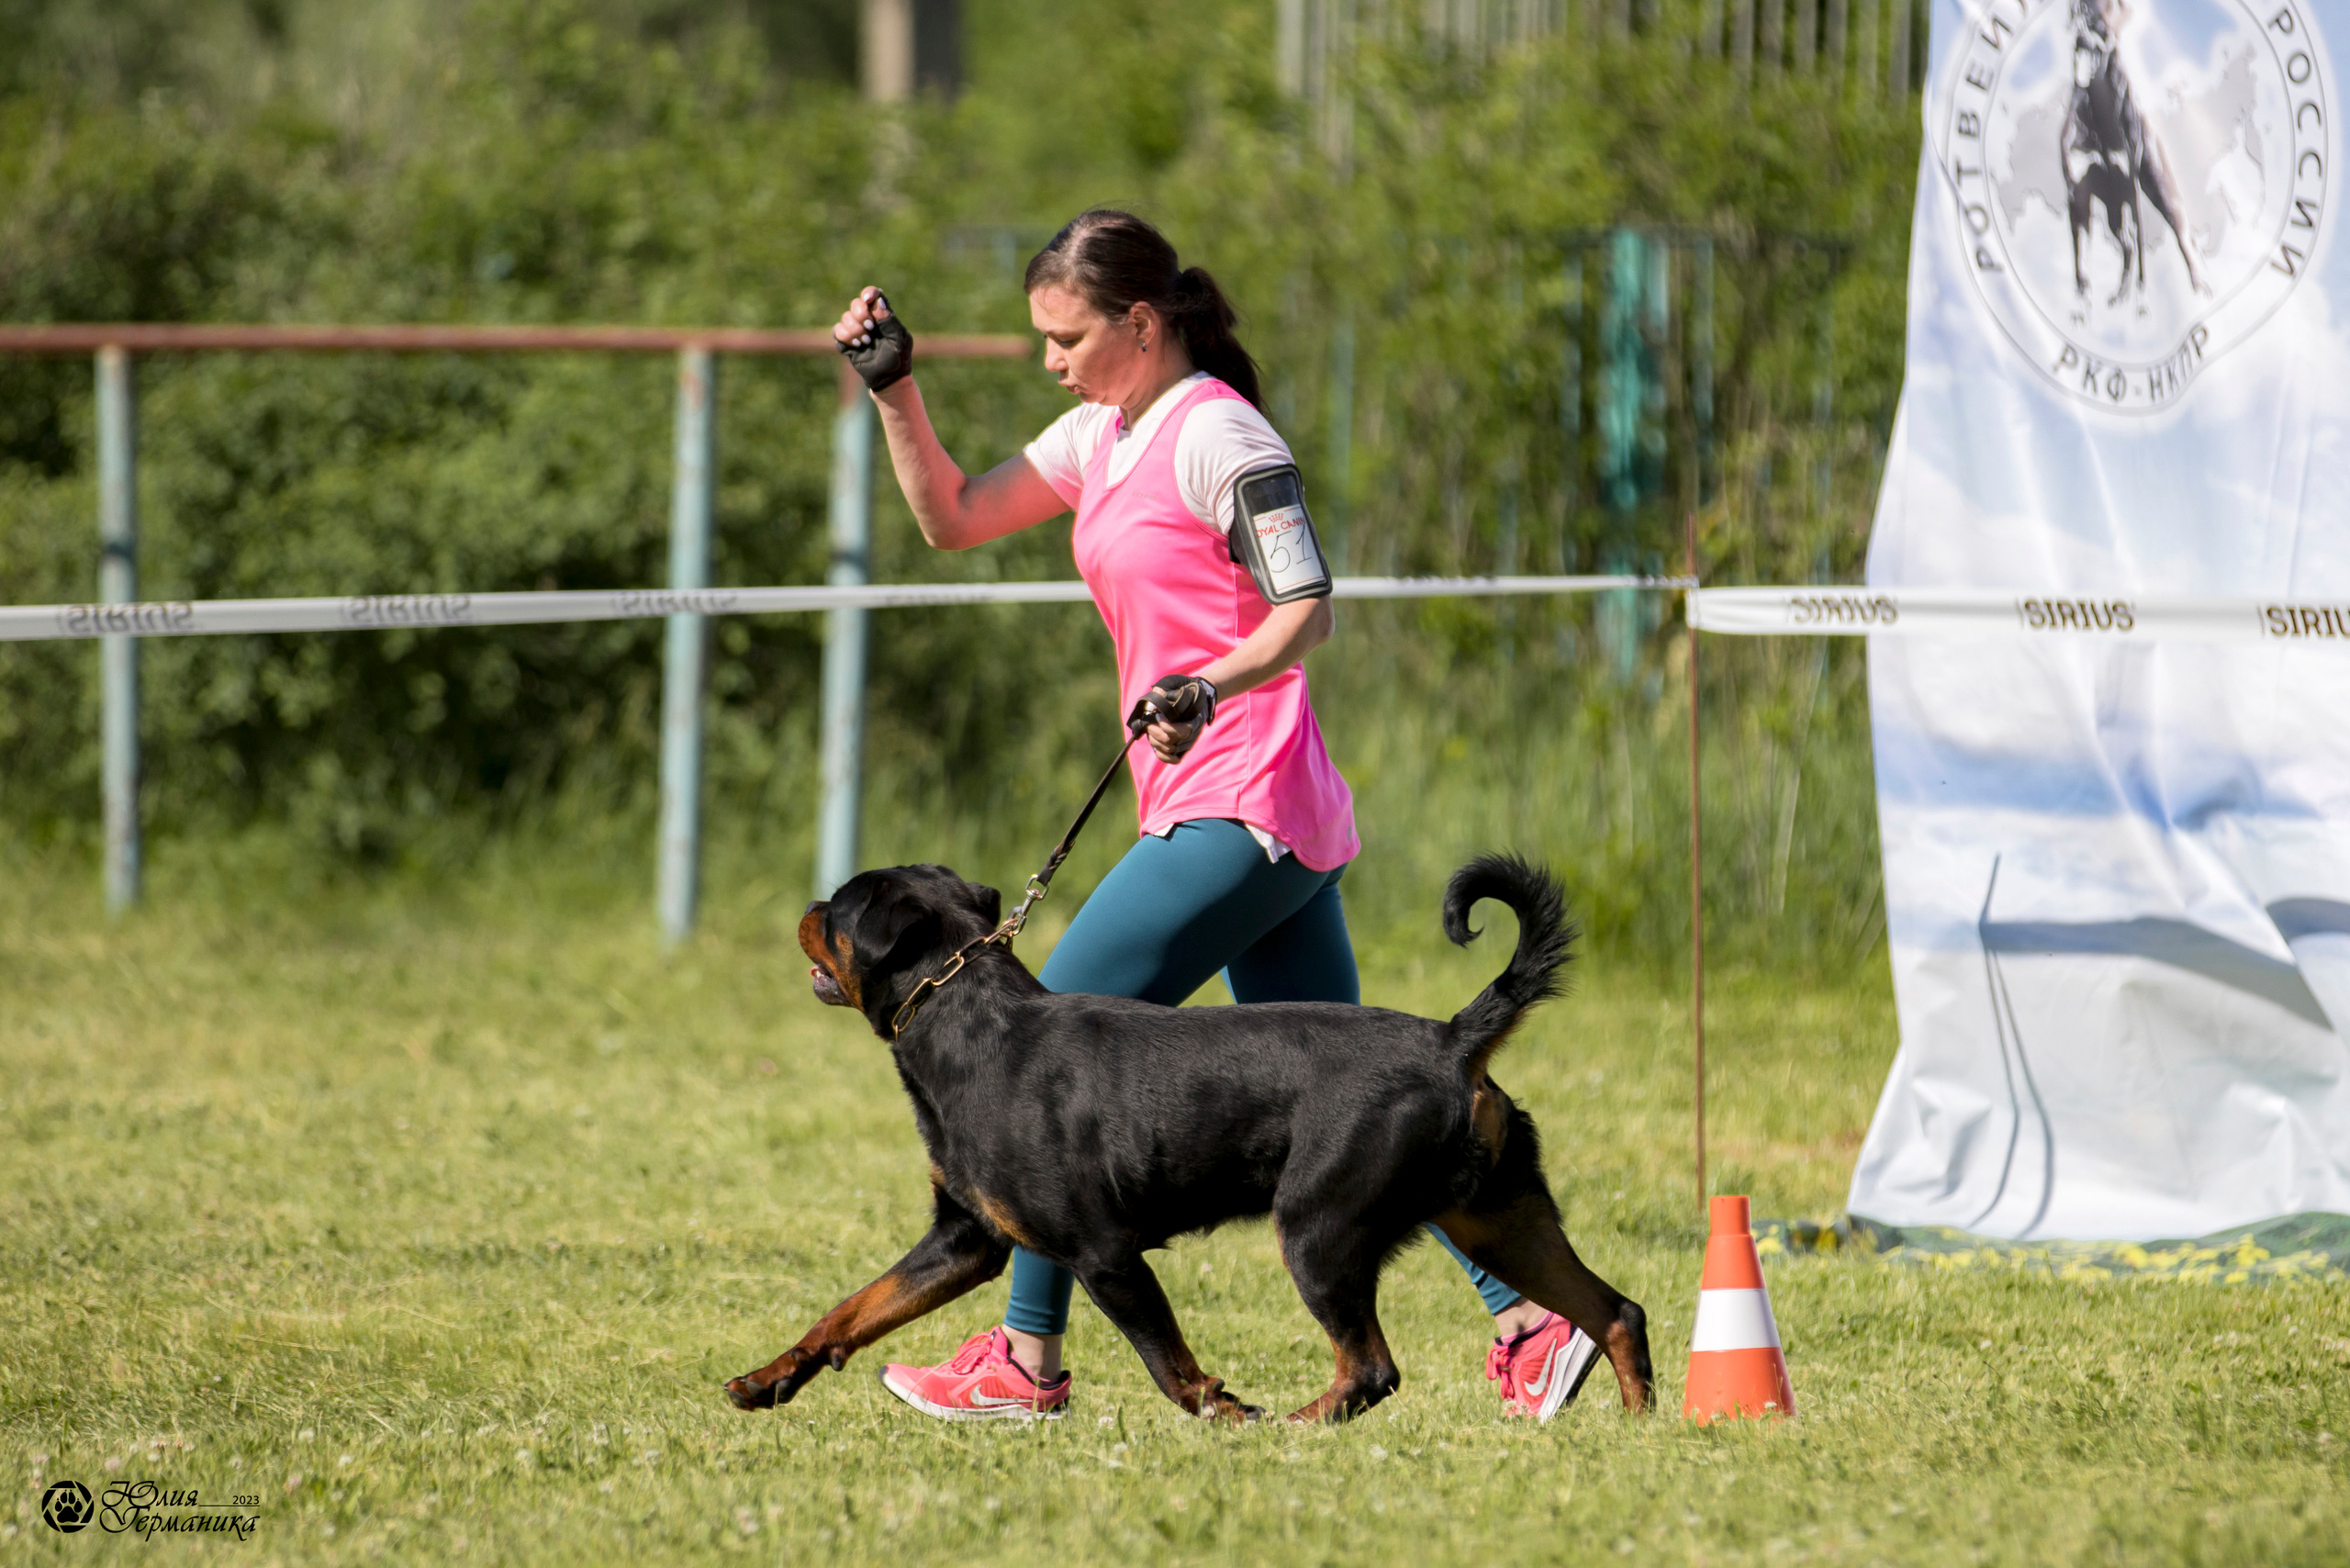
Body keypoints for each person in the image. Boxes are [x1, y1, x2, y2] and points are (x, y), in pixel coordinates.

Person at [829, 208, 1596, 1423]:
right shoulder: (1103, 432)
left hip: (1245, 801)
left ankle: (1024, 1361)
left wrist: (1210, 682)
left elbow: (1307, 607)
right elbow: (955, 516)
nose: (1050, 361)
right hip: (1240, 811)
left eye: (1068, 337)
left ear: (1142, 324)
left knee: (1033, 1075)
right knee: (1373, 1101)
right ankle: (1532, 1324)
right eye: (1042, 339)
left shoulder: (1220, 436)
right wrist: (893, 392)